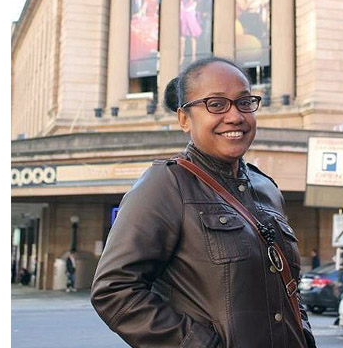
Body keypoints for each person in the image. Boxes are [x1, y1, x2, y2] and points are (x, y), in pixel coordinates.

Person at [91, 57, 316, 348]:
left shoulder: (266, 188)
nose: (235, 116)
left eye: (244, 102)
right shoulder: (166, 185)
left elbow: (288, 289)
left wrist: (304, 335)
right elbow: (114, 290)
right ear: (184, 118)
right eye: (216, 104)